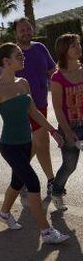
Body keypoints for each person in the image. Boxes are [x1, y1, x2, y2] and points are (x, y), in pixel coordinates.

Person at [0, 42, 69, 244]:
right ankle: (46, 232)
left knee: (17, 182)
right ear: (6, 61)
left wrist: (52, 131)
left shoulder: (23, 82)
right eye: (19, 56)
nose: (23, 57)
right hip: (10, 146)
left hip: (27, 143)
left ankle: (4, 213)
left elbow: (33, 111)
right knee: (32, 182)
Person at [14, 17, 56, 195]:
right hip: (21, 107)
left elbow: (52, 71)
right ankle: (52, 181)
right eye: (22, 30)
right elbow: (5, 79)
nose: (26, 32)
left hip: (41, 104)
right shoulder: (12, 52)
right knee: (42, 143)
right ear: (16, 33)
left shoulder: (40, 48)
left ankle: (19, 175)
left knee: (36, 143)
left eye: (28, 28)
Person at [50, 34, 83, 211]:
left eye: (78, 43)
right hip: (69, 127)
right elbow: (57, 108)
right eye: (73, 46)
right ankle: (56, 191)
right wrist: (67, 131)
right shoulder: (57, 77)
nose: (78, 47)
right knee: (70, 165)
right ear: (64, 51)